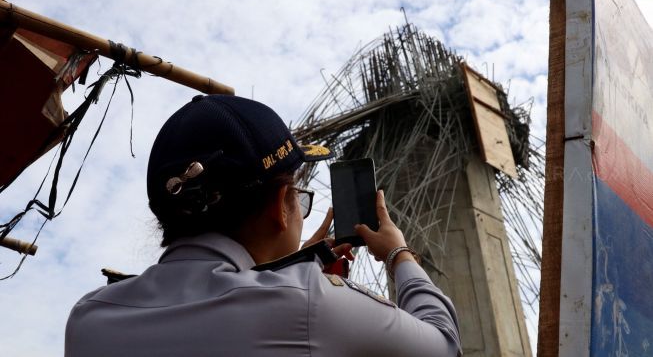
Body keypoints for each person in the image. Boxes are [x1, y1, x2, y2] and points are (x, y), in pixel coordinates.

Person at [65, 95, 462, 357]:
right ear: (280, 206)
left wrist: (295, 264)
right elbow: (444, 344)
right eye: (298, 197)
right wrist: (398, 254)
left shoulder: (89, 318)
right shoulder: (310, 303)